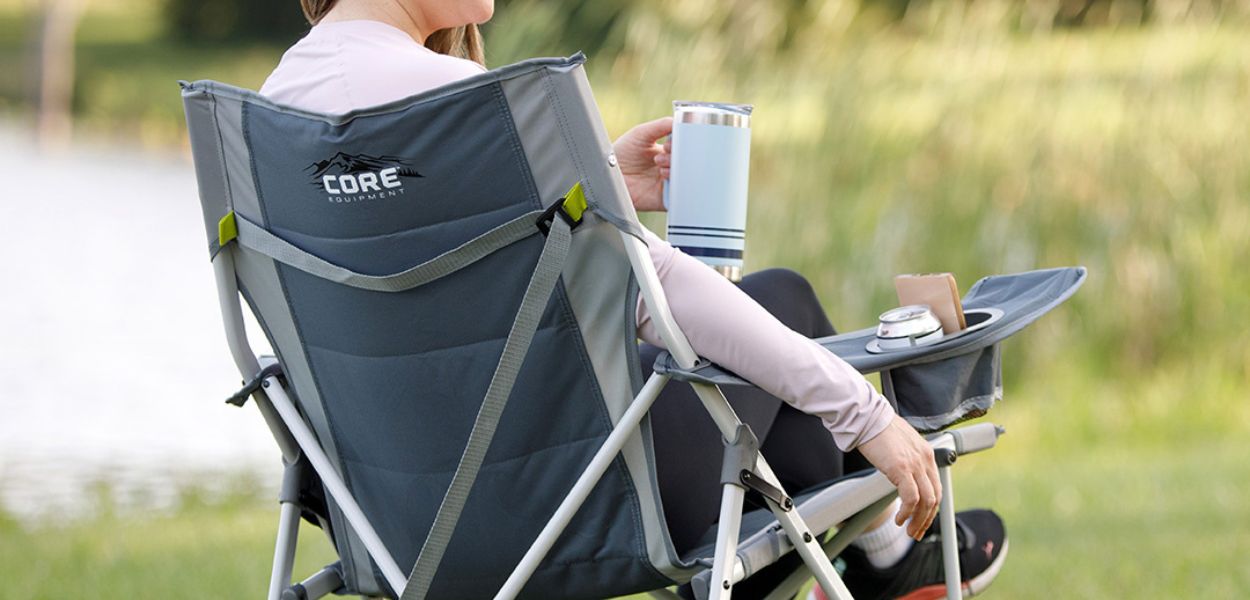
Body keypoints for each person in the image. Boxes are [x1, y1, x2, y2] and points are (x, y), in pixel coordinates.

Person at [259, 1, 1007, 598]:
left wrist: (598, 188)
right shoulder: (473, 113)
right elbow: (661, 291)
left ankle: (869, 566)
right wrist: (865, 409)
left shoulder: (267, 120)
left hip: (390, 527)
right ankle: (884, 562)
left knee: (737, 348)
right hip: (579, 511)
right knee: (781, 300)